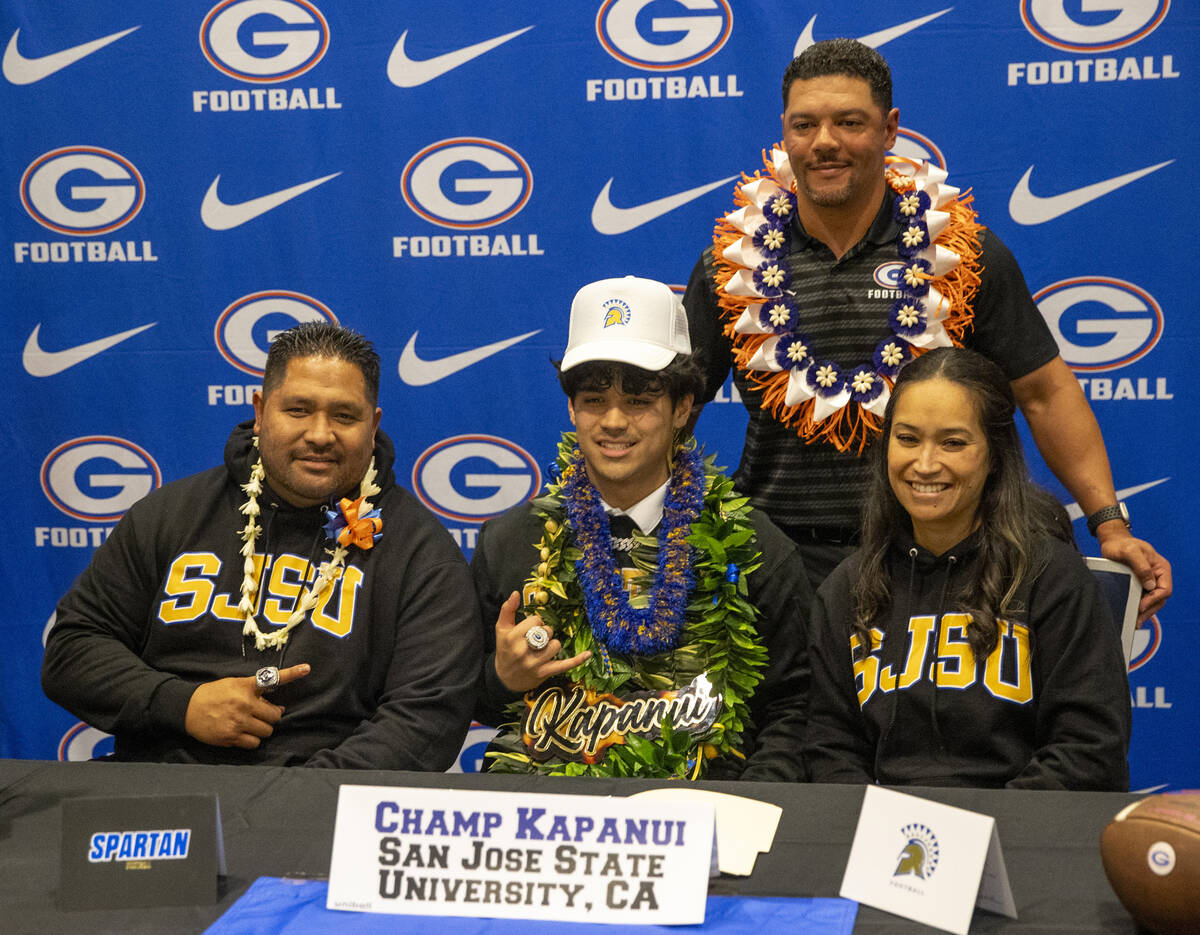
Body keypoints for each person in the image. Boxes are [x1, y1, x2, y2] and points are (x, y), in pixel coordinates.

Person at [682, 38, 1170, 617]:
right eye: (804, 124)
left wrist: (1109, 523)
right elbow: (670, 409)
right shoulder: (731, 266)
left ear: (889, 130)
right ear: (784, 132)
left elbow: (1044, 394)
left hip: (937, 566)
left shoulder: (961, 254)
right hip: (776, 571)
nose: (825, 143)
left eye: (849, 122)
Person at [42, 322, 482, 769]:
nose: (320, 434)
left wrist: (295, 804)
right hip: (161, 788)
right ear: (260, 410)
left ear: (374, 425)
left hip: (321, 810)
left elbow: (426, 718)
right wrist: (181, 704)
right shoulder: (170, 515)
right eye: (298, 410)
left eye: (345, 416)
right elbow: (72, 651)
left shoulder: (422, 554)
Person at [470, 275, 811, 781]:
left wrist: (748, 811)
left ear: (681, 409)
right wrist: (501, 678)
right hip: (545, 831)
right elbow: (461, 696)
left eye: (637, 401)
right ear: (570, 407)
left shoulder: (755, 548)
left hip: (705, 831)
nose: (612, 420)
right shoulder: (513, 541)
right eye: (593, 399)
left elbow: (795, 712)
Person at [803, 347, 1131, 790]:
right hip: (884, 848)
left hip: (1022, 844)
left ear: (994, 454)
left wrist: (976, 837)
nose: (924, 464)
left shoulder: (1052, 578)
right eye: (907, 438)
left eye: (953, 443)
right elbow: (831, 749)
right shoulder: (846, 588)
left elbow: (1089, 750)